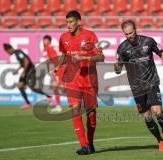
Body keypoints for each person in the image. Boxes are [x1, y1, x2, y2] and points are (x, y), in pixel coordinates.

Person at [114, 20, 163, 152]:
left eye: (131, 32)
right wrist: (117, 68)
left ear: (136, 29)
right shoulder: (122, 48)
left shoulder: (148, 41)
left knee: (158, 112)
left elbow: (160, 52)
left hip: (151, 82)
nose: (129, 36)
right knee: (147, 117)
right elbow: (118, 68)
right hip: (137, 87)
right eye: (126, 34)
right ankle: (159, 140)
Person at [59, 10, 105, 155]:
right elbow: (64, 56)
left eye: (71, 22)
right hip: (72, 81)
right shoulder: (63, 38)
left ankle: (90, 143)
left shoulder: (90, 35)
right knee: (75, 109)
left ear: (78, 22)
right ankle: (84, 145)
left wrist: (84, 58)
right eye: (67, 22)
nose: (68, 25)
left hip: (89, 80)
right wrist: (59, 66)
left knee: (91, 113)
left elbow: (101, 57)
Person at [3, 43, 53, 109]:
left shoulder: (18, 53)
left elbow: (26, 61)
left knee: (33, 88)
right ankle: (28, 103)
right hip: (27, 71)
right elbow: (23, 63)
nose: (8, 53)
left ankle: (49, 97)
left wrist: (24, 72)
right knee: (20, 85)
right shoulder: (16, 53)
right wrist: (17, 70)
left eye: (7, 52)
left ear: (9, 49)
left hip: (30, 72)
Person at [43, 35, 63, 113]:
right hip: (60, 67)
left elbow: (54, 59)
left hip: (59, 68)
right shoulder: (51, 47)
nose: (44, 42)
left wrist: (54, 69)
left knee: (59, 86)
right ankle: (58, 106)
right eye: (44, 40)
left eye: (45, 40)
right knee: (55, 86)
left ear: (48, 41)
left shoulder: (49, 47)